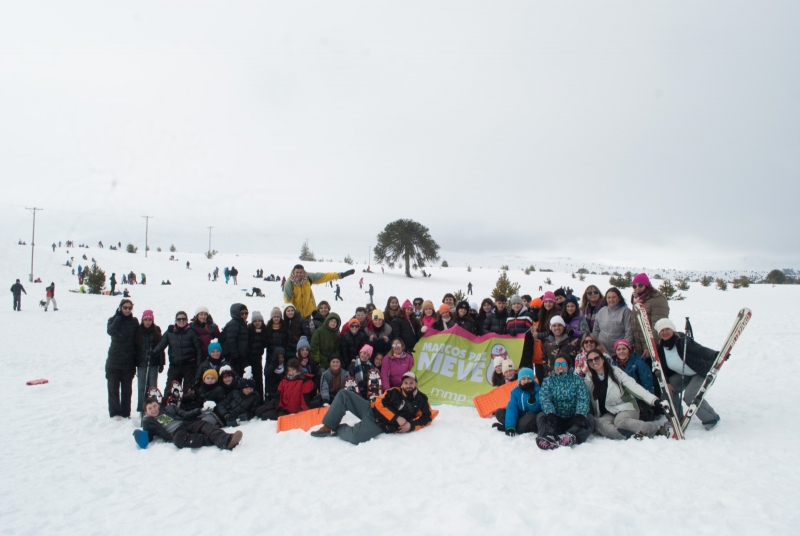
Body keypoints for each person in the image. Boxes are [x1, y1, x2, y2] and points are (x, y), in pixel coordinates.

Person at [310, 371, 432, 445]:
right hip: (370, 409)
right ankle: (329, 425)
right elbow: (379, 403)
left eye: (411, 383)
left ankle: (338, 429)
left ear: (416, 384)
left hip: (379, 423)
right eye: (406, 383)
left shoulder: (421, 399)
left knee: (355, 437)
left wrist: (410, 425)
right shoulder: (394, 391)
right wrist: (397, 418)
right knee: (343, 394)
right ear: (402, 384)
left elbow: (428, 417)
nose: (408, 385)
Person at [584, 349, 669, 440]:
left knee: (620, 422)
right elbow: (586, 399)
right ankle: (630, 436)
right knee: (599, 423)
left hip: (626, 407)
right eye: (590, 360)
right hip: (609, 411)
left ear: (603, 359)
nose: (594, 362)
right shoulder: (589, 379)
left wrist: (654, 400)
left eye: (596, 358)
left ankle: (652, 428)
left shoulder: (616, 372)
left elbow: (634, 387)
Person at [655, 318, 721, 430]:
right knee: (667, 390)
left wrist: (716, 355)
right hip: (683, 374)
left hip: (699, 372)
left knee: (690, 396)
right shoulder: (660, 347)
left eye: (667, 329)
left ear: (673, 330)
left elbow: (699, 350)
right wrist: (666, 382)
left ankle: (711, 418)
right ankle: (675, 418)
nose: (665, 332)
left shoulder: (683, 342)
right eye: (662, 330)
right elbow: (662, 367)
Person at [535, 354, 594, 450]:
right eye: (557, 364)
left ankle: (573, 437)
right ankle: (547, 437)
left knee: (589, 418)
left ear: (568, 366)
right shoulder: (548, 381)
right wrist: (550, 413)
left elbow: (583, 397)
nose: (560, 367)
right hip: (555, 419)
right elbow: (544, 398)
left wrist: (580, 414)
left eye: (563, 364)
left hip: (573, 419)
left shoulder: (577, 380)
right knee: (541, 416)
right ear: (553, 366)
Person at [141, 395, 243, 450]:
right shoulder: (149, 422)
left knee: (204, 425)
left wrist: (200, 411)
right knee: (178, 440)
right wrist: (139, 436)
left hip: (186, 423)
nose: (153, 410)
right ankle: (215, 440)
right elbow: (148, 436)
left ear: (158, 405)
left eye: (154, 406)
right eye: (150, 408)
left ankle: (226, 439)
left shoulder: (169, 409)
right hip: (176, 433)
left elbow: (185, 414)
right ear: (146, 412)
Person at [152, 311, 203, 395]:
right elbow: (162, 344)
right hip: (175, 365)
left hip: (189, 365)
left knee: (188, 389)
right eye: (179, 319)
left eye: (183, 319)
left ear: (187, 320)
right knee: (171, 389)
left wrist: (198, 363)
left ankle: (187, 407)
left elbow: (198, 349)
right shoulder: (170, 332)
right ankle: (168, 406)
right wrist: (153, 353)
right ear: (175, 321)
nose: (181, 321)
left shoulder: (191, 332)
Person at [105, 299, 139, 419]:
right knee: (113, 388)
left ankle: (125, 412)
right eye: (125, 307)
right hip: (114, 360)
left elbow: (138, 339)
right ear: (120, 308)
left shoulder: (134, 322)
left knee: (127, 389)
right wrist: (118, 318)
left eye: (130, 308)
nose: (127, 310)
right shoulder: (113, 320)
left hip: (128, 360)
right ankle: (115, 412)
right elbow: (110, 331)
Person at [283, 264, 355, 317]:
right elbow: (288, 301)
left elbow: (324, 276)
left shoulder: (308, 277)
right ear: (293, 272)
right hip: (296, 314)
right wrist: (292, 314)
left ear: (303, 272)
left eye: (300, 272)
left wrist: (340, 275)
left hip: (309, 313)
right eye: (297, 272)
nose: (299, 274)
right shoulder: (289, 283)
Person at [630, 273, 670, 357]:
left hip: (651, 348)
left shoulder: (657, 299)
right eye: (634, 286)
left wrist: (650, 346)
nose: (637, 288)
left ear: (647, 285)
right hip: (639, 348)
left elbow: (658, 326)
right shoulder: (637, 299)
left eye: (640, 285)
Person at [493, 368, 540, 436]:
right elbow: (512, 408)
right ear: (519, 380)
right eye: (523, 379)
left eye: (529, 379)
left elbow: (538, 408)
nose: (526, 381)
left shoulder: (537, 390)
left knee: (533, 415)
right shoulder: (515, 391)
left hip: (530, 416)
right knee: (499, 412)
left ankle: (511, 427)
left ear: (532, 380)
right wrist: (510, 426)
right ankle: (511, 426)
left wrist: (532, 403)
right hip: (519, 415)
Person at [134, 310, 164, 412]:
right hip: (141, 363)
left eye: (150, 320)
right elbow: (135, 348)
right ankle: (142, 408)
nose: (148, 322)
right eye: (146, 320)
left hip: (153, 362)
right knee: (142, 386)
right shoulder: (138, 331)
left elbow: (161, 347)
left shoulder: (156, 330)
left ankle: (153, 407)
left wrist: (161, 362)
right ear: (142, 320)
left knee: (152, 386)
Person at [591, 287, 632, 353]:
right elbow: (596, 329)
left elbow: (629, 332)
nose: (611, 300)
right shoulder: (602, 311)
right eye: (609, 297)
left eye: (614, 297)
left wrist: (625, 348)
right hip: (602, 350)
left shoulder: (625, 311)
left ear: (619, 298)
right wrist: (596, 344)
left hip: (619, 352)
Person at [221, 304, 250, 375]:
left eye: (246, 313)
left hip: (240, 357)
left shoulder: (241, 323)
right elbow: (231, 341)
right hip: (234, 358)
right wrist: (235, 356)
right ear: (236, 313)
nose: (244, 315)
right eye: (242, 313)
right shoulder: (234, 324)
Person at [247, 311, 268, 401]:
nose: (257, 323)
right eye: (255, 321)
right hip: (248, 359)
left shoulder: (264, 331)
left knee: (259, 381)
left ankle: (259, 400)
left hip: (258, 360)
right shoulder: (249, 331)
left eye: (259, 321)